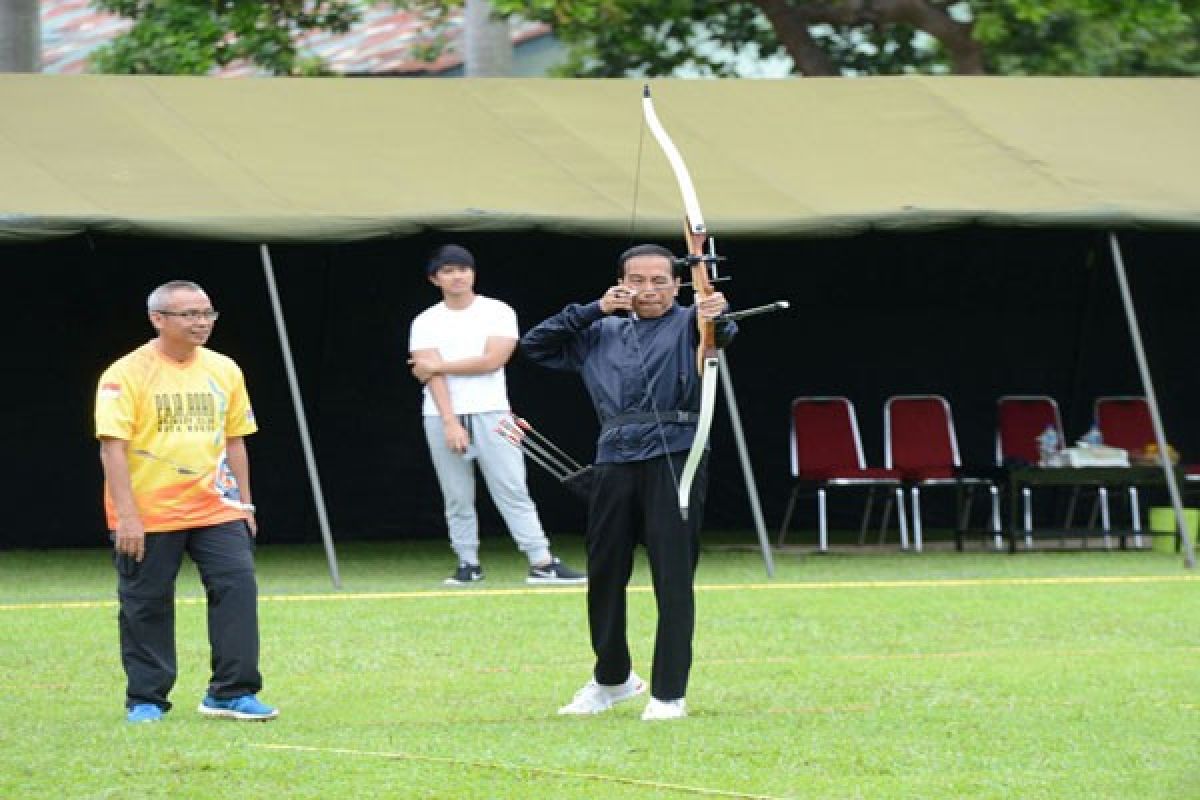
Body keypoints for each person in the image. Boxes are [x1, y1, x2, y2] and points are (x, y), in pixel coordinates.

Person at [520, 244, 736, 721]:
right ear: (621, 283)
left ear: (677, 284)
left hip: (678, 453)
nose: (649, 289)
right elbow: (535, 345)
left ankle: (669, 693)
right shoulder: (599, 329)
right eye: (637, 280)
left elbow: (720, 334)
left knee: (672, 575)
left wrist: (714, 312)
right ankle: (613, 679)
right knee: (605, 572)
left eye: (660, 280)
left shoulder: (690, 321)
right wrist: (595, 307)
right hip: (614, 456)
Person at [95, 280, 277, 724]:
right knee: (147, 602)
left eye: (207, 313)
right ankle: (147, 699)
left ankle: (231, 692)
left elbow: (235, 440)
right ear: (158, 319)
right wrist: (128, 518)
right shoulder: (126, 373)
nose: (201, 323)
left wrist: (246, 504)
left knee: (237, 589)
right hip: (149, 512)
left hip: (217, 505)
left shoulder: (224, 369)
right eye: (189, 315)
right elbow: (111, 448)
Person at [408, 244, 585, 587]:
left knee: (511, 487)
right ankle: (467, 563)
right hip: (441, 414)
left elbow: (493, 359)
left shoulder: (498, 311)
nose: (457, 276)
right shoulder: (426, 321)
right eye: (448, 271)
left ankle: (541, 560)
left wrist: (439, 365)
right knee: (456, 494)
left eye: (463, 269)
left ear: (473, 273)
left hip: (493, 411)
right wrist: (449, 421)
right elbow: (428, 375)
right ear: (435, 279)